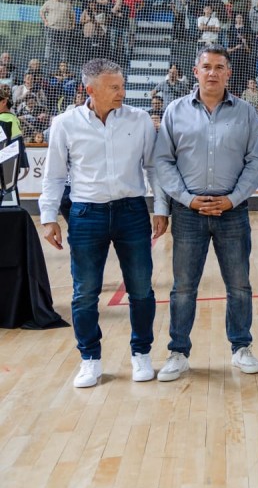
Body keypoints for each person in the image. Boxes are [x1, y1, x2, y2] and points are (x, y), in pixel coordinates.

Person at [39, 58, 168, 388]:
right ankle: (90, 360)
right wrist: (49, 217)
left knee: (141, 289)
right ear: (90, 90)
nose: (122, 92)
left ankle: (141, 353)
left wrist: (160, 207)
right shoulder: (65, 123)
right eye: (114, 87)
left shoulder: (140, 120)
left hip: (132, 212)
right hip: (86, 214)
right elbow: (54, 175)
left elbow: (153, 168)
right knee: (84, 293)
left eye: (122, 85)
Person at [153, 44, 258, 381]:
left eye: (219, 67)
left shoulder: (246, 113)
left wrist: (233, 199)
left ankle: (241, 347)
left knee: (239, 285)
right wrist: (186, 199)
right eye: (207, 67)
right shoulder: (175, 111)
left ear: (229, 73)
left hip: (232, 212)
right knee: (183, 288)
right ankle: (178, 352)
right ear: (196, 71)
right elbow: (163, 161)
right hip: (188, 213)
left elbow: (256, 161)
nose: (213, 73)